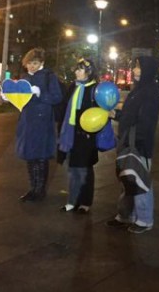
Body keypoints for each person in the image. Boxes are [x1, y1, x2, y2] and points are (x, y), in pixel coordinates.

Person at [106, 56, 159, 234]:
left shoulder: (150, 91)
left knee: (141, 181)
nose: (135, 70)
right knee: (128, 179)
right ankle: (125, 215)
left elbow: (146, 122)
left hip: (139, 145)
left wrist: (138, 143)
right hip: (127, 142)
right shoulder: (138, 90)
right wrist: (117, 115)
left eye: (138, 67)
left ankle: (144, 220)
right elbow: (130, 115)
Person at [14, 48, 62, 202]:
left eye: (35, 63)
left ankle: (39, 190)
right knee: (29, 155)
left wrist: (41, 94)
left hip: (42, 121)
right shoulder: (25, 78)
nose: (31, 66)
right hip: (27, 121)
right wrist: (11, 96)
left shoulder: (49, 76)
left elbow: (57, 97)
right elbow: (21, 100)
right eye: (29, 63)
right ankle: (33, 188)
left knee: (40, 156)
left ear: (42, 63)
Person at [58, 58, 99, 213]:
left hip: (87, 135)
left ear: (89, 72)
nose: (76, 72)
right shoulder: (73, 87)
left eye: (80, 69)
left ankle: (85, 203)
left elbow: (98, 113)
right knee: (73, 168)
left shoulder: (95, 89)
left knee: (85, 169)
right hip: (71, 133)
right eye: (76, 69)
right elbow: (64, 107)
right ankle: (73, 200)